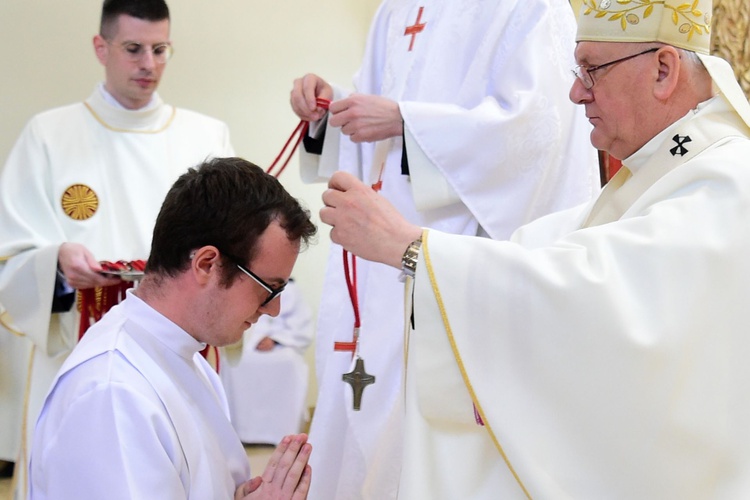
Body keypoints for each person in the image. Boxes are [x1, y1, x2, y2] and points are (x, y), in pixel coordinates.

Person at [319, 0, 750, 497]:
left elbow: (599, 292)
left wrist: (412, 247)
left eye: (591, 70)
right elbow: (556, 249)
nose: (574, 92)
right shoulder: (666, 167)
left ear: (663, 69)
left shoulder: (725, 182)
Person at [289, 0, 599, 497]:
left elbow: (537, 132)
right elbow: (377, 132)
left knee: (425, 443)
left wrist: (407, 121)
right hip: (375, 269)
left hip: (455, 265)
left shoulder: (531, 7)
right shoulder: (395, 10)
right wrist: (333, 109)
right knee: (363, 423)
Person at [0, 0, 234, 497]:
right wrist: (57, 264)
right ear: (100, 48)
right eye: (133, 49)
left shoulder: (206, 136)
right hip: (76, 342)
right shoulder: (49, 134)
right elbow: (11, 253)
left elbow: (230, 243)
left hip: (177, 343)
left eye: (160, 49)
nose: (148, 63)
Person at [30, 157, 317, 499]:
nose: (274, 309)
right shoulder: (113, 394)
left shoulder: (181, 354)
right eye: (269, 288)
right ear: (207, 264)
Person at [221, 279, 315, 444]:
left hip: (281, 347)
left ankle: (283, 432)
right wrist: (255, 340)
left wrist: (275, 339)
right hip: (252, 346)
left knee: (289, 362)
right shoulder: (251, 285)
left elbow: (302, 328)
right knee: (233, 363)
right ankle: (241, 432)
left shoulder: (292, 291)